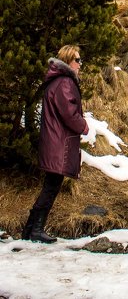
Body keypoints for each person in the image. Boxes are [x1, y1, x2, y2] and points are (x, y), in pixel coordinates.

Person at [22, 45, 89, 244]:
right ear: (68, 61)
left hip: (54, 141)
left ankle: (30, 229)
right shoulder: (65, 82)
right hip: (59, 143)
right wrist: (84, 126)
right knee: (51, 187)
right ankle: (36, 230)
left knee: (50, 185)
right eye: (77, 60)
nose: (80, 64)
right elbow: (69, 113)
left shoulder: (57, 81)